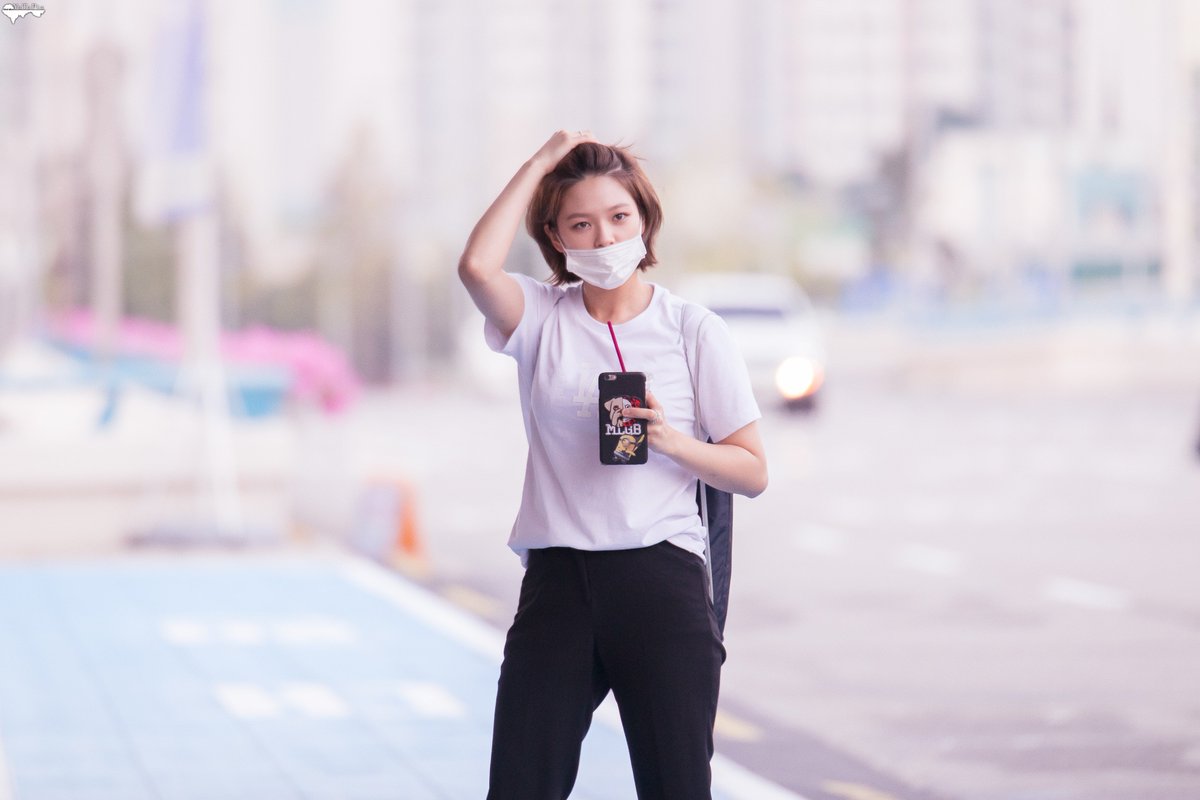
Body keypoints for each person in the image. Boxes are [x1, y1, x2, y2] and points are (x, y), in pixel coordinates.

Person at [458, 130, 768, 800]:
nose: (603, 239)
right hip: (559, 583)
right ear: (555, 235)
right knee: (520, 786)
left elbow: (751, 471)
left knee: (676, 788)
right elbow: (477, 269)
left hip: (661, 578)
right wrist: (539, 163)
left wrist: (673, 440)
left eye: (618, 218)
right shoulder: (540, 317)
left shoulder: (693, 330)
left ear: (644, 220)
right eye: (581, 223)